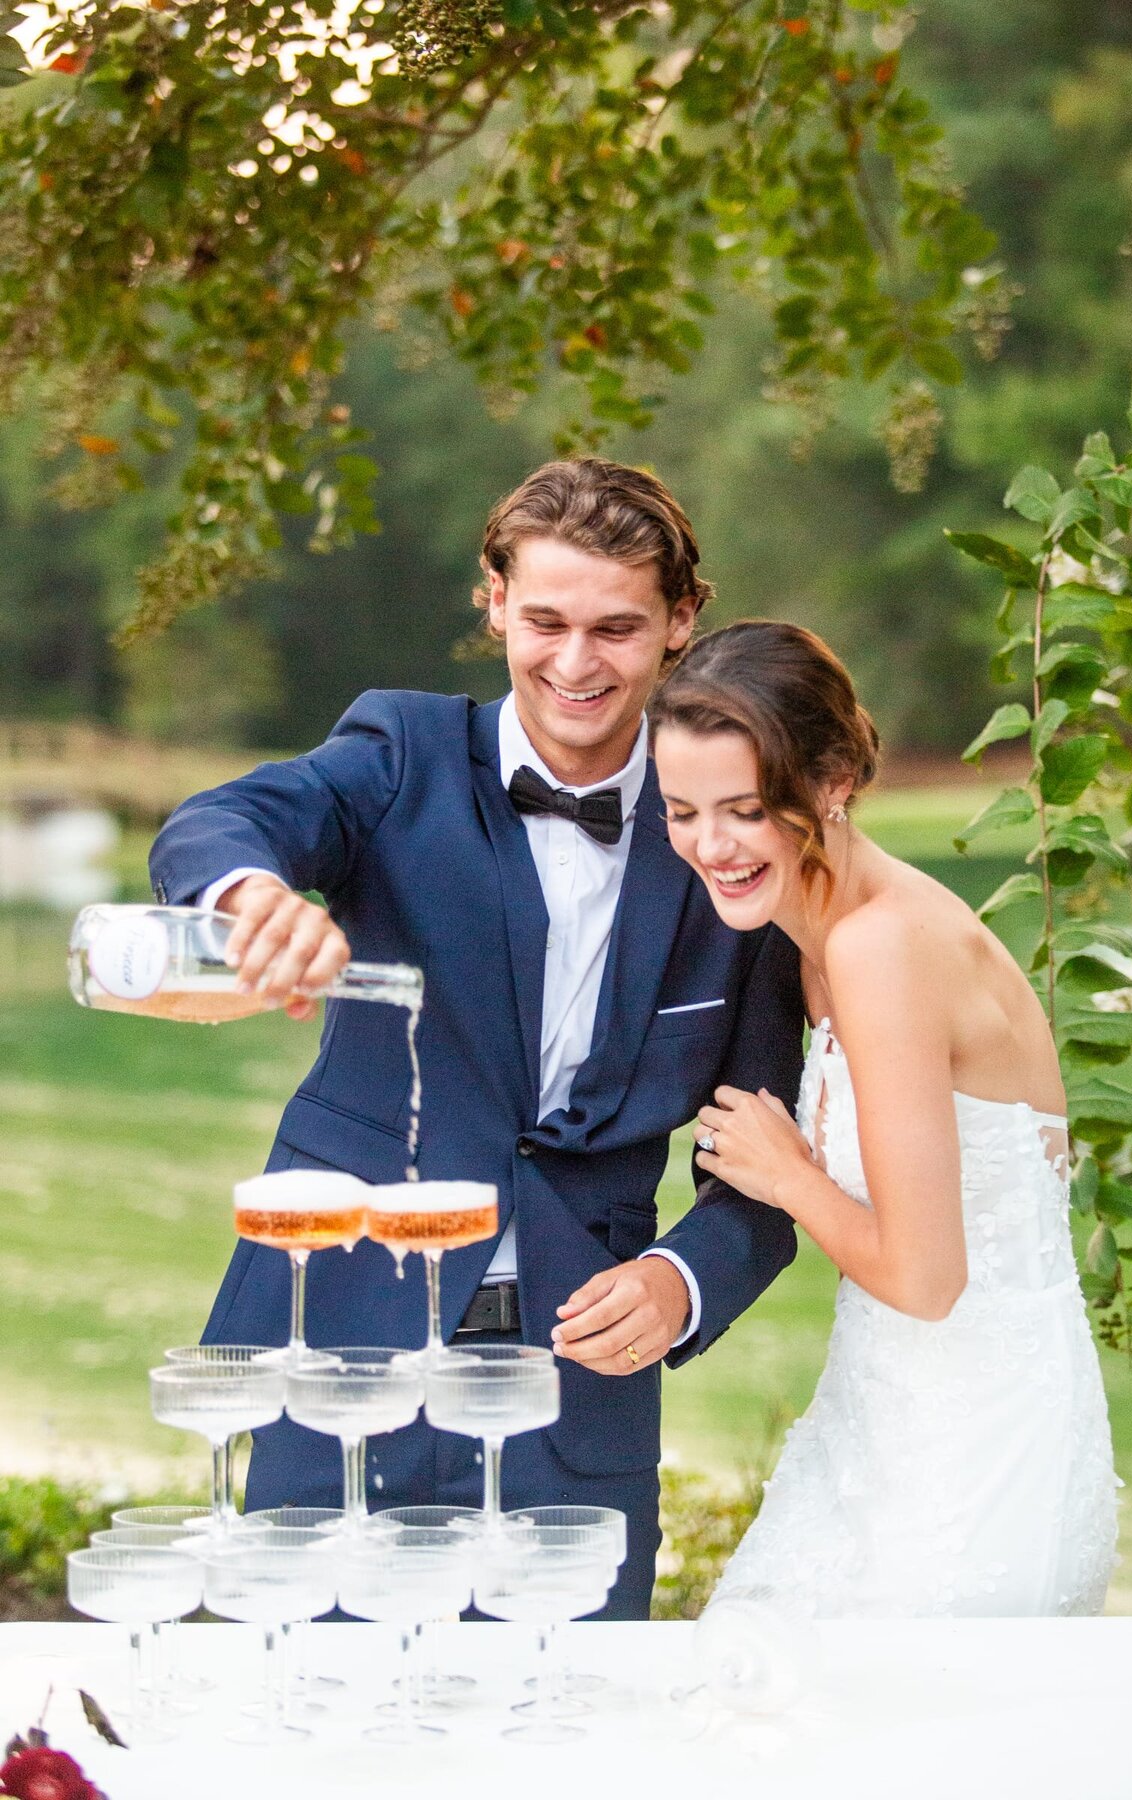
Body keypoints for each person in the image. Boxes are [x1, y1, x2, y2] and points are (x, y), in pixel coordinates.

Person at [148, 459, 805, 1618]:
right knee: (324, 1709)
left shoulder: (733, 846)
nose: (575, 663)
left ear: (681, 624)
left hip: (579, 1383)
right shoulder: (399, 754)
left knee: (568, 1723)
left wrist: (681, 1279)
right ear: (493, 599)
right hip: (342, 1337)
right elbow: (228, 819)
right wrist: (250, 897)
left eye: (617, 628)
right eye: (544, 619)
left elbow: (768, 1159)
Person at [649, 618, 1118, 1616]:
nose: (710, 846)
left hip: (966, 1476)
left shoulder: (881, 948)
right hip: (882, 1432)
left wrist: (788, 1178)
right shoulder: (809, 937)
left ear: (831, 783)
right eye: (683, 811)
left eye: (745, 809)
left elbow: (927, 1278)